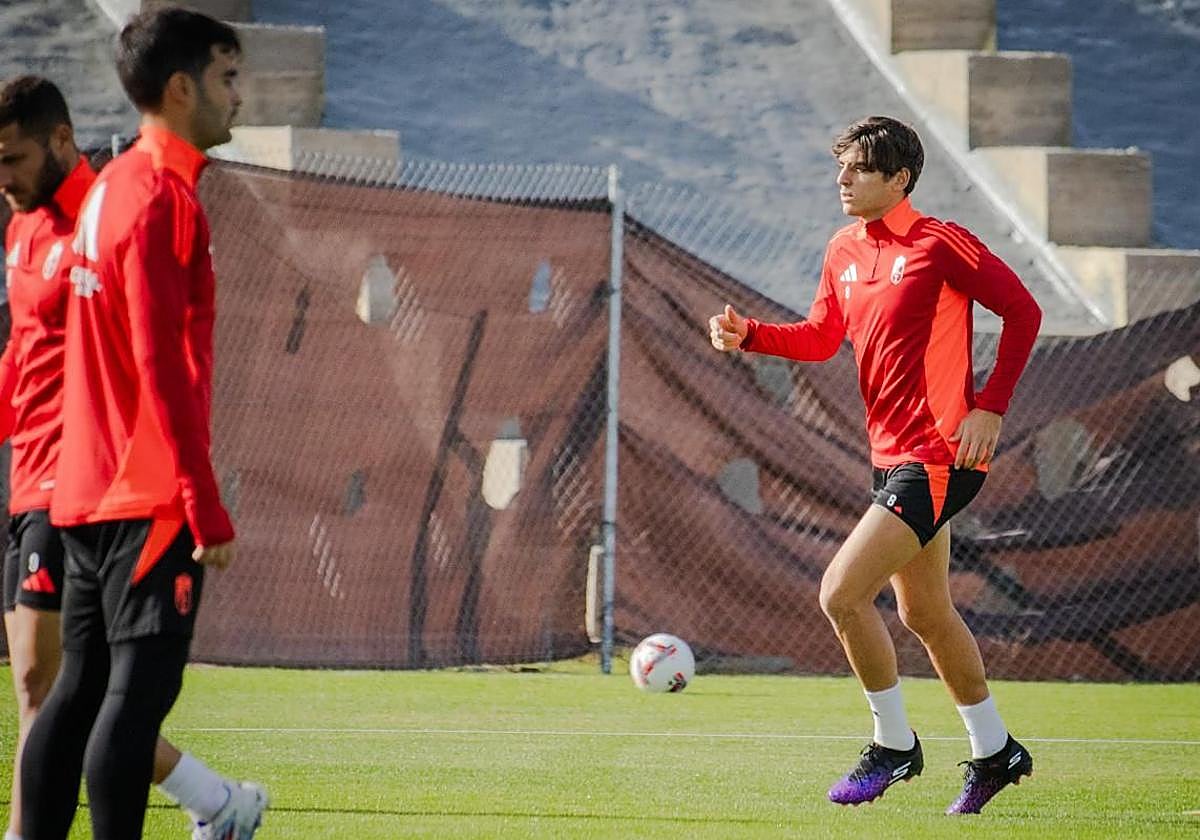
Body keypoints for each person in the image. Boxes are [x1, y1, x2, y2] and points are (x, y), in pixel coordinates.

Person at [708, 116, 1042, 815]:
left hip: (942, 453)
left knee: (840, 594)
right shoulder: (843, 250)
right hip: (890, 459)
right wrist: (752, 337)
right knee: (925, 612)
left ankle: (893, 746)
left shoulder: (938, 242)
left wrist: (990, 406)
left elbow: (1022, 311)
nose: (843, 180)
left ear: (900, 179)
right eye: (840, 168)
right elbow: (824, 337)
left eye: (859, 169)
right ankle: (995, 750)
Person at [13, 10, 266, 839]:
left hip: (80, 491)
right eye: (228, 78)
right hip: (143, 493)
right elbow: (161, 364)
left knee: (75, 690)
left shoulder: (114, 186)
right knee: (133, 698)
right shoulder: (158, 196)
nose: (239, 96)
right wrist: (204, 500)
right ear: (182, 87)